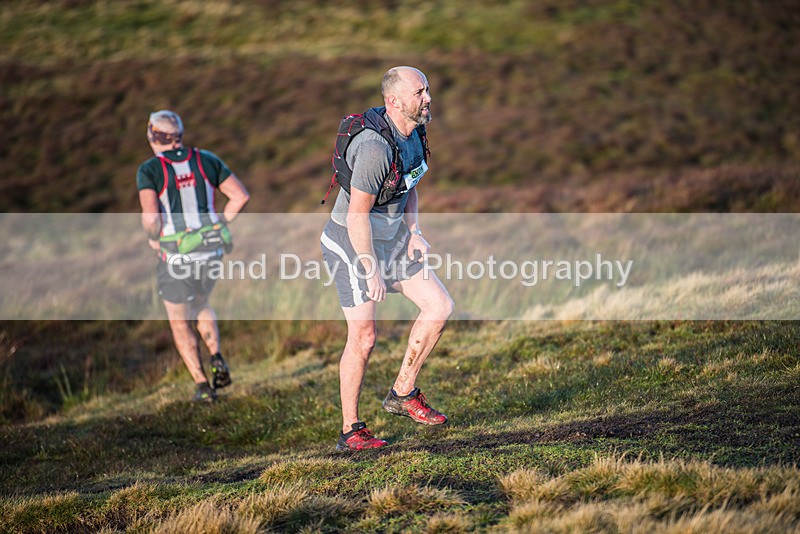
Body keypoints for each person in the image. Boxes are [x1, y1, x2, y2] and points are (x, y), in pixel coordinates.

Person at [321, 67, 454, 450]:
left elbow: (410, 185)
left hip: (391, 239)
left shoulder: (415, 133)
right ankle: (351, 430)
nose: (428, 97)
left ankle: (403, 392)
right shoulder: (374, 149)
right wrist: (369, 267)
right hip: (351, 243)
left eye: (427, 89)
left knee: (440, 306)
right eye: (419, 92)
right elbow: (355, 215)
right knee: (364, 338)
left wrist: (414, 233)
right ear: (394, 101)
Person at [137, 110, 250, 402]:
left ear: (152, 136)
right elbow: (240, 196)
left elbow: (151, 219)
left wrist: (153, 239)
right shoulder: (205, 159)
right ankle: (216, 354)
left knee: (179, 320)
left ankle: (202, 386)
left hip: (175, 256)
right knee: (201, 303)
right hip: (210, 251)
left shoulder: (150, 169)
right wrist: (219, 225)